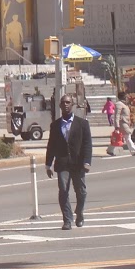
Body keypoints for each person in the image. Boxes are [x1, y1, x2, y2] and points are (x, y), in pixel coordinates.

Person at [44, 94, 94, 229]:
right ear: (60, 106)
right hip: (62, 164)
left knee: (81, 191)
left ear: (72, 105)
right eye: (63, 103)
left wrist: (87, 162)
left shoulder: (82, 123)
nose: (65, 104)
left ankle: (80, 212)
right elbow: (51, 145)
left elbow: (87, 144)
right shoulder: (55, 125)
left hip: (78, 164)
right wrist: (48, 164)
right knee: (63, 190)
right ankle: (67, 220)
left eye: (68, 102)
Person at [110, 92, 135, 157]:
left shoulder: (124, 104)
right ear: (123, 97)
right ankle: (134, 151)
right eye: (126, 96)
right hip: (122, 123)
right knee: (127, 136)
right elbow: (117, 115)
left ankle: (110, 150)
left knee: (117, 138)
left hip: (125, 123)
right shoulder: (119, 104)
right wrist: (117, 125)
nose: (127, 98)